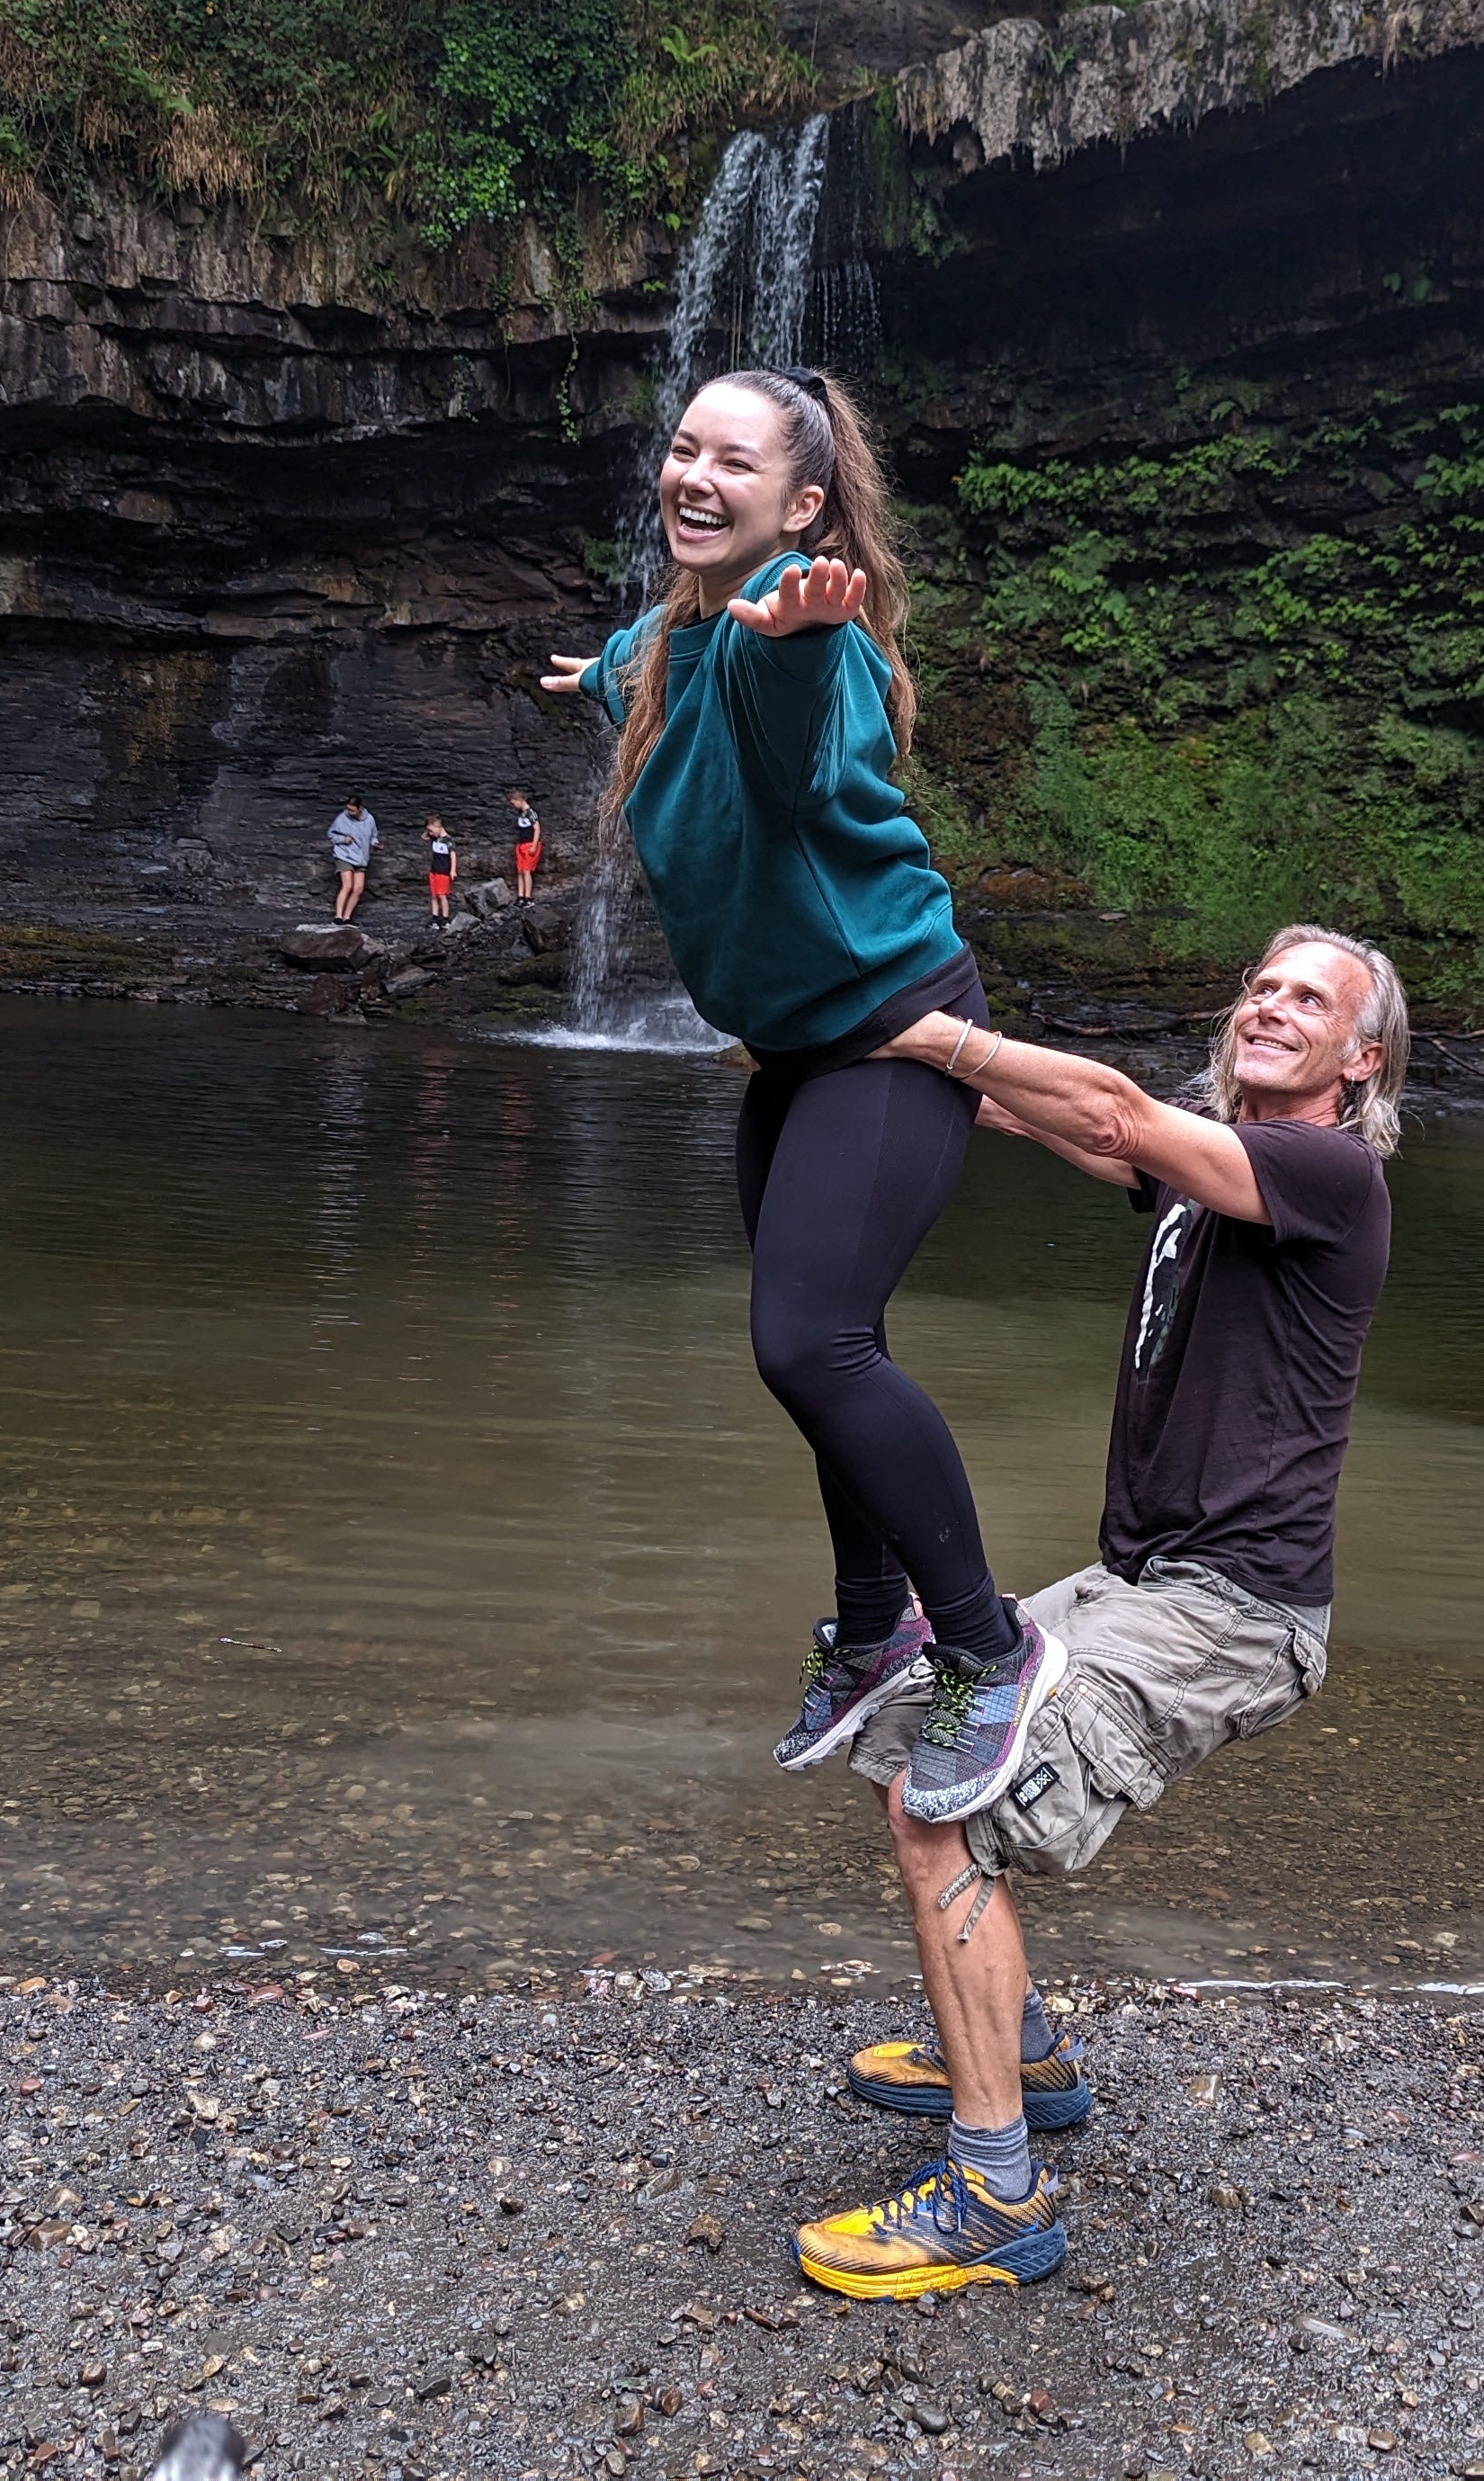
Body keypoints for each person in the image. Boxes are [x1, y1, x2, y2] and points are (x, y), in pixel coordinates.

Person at [784, 926, 1407, 2301]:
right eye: (1260, 985)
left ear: (1362, 1061)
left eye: (1310, 999)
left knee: (940, 1807)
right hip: (1140, 1580)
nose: (1271, 1005)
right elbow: (1065, 1121)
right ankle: (1024, 2051)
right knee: (908, 1723)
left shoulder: (1330, 1174)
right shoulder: (1211, 1170)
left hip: (1232, 1613)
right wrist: (842, 1052)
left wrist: (923, 1028)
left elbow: (1118, 1112)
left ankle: (995, 2193)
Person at [543, 368, 1062, 1824]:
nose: (695, 476)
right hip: (795, 1052)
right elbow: (648, 658)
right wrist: (589, 679)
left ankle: (988, 1645)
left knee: (810, 1343)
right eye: (683, 449)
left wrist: (797, 638)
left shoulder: (800, 640)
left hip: (892, 1033)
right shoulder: (675, 634)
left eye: (735, 461)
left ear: (804, 505)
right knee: (831, 1349)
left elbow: (783, 737)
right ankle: (873, 1624)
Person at [326, 800, 376, 921]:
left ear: (360, 808)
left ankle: (347, 917)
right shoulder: (342, 818)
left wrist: (376, 843)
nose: (350, 812)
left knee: (358, 888)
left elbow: (373, 836)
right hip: (344, 855)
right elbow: (331, 835)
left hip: (361, 857)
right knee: (347, 885)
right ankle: (338, 916)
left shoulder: (369, 819)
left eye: (353, 810)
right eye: (348, 809)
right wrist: (342, 839)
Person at [507, 787, 542, 902]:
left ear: (520, 800)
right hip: (521, 844)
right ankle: (520, 896)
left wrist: (534, 845)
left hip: (530, 844)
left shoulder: (530, 813)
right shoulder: (521, 813)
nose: (514, 806)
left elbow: (537, 828)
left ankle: (528, 897)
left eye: (514, 803)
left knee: (527, 871)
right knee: (520, 871)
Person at [424, 816, 457, 924]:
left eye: (431, 830)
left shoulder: (448, 840)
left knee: (442, 895)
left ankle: (446, 919)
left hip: (443, 871)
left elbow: (453, 855)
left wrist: (453, 870)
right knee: (434, 895)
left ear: (438, 827)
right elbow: (424, 837)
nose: (430, 833)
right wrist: (430, 830)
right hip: (434, 870)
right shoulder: (434, 837)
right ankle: (435, 918)